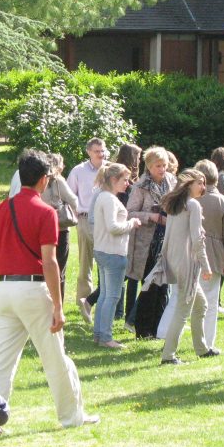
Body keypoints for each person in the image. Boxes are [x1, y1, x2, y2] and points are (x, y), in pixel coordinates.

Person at [0, 150, 99, 428]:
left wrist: (7, 266)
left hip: (5, 290)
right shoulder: (46, 212)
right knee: (55, 357)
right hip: (32, 290)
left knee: (1, 359)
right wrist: (58, 307)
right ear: (44, 180)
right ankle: (72, 417)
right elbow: (49, 262)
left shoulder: (1, 208)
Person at [145, 169, 212, 365]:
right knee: (183, 311)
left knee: (201, 304)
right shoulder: (192, 205)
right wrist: (206, 266)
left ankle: (202, 349)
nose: (203, 187)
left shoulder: (177, 204)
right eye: (199, 182)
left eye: (204, 182)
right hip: (186, 264)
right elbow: (197, 239)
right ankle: (168, 356)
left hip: (174, 261)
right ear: (188, 184)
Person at [125, 146, 176, 337]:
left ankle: (159, 328)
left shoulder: (172, 181)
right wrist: (150, 216)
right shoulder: (141, 186)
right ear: (149, 166)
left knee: (164, 286)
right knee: (149, 285)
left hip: (168, 238)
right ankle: (143, 329)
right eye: (158, 166)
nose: (162, 169)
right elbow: (129, 212)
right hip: (148, 242)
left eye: (164, 165)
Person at [91, 163, 142, 348]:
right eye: (124, 180)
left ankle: (99, 334)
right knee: (112, 296)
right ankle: (105, 337)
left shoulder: (102, 197)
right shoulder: (110, 199)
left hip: (102, 250)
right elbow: (113, 227)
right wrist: (132, 223)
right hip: (113, 252)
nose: (127, 184)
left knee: (105, 295)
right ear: (113, 180)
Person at [193, 160, 224, 355]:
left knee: (183, 298)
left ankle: (165, 333)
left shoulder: (189, 199)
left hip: (189, 252)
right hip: (214, 254)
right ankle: (207, 343)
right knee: (210, 301)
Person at [66, 137, 108, 304]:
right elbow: (69, 196)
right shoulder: (78, 171)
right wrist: (76, 217)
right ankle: (83, 300)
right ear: (89, 152)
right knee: (85, 262)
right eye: (97, 151)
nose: (101, 154)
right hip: (84, 219)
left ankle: (102, 298)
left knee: (105, 261)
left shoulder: (111, 170)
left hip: (107, 220)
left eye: (103, 150)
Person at [40, 152, 78, 302]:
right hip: (59, 230)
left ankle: (44, 302)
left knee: (43, 268)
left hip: (41, 229)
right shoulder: (58, 181)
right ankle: (57, 304)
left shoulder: (39, 180)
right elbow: (74, 201)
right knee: (58, 270)